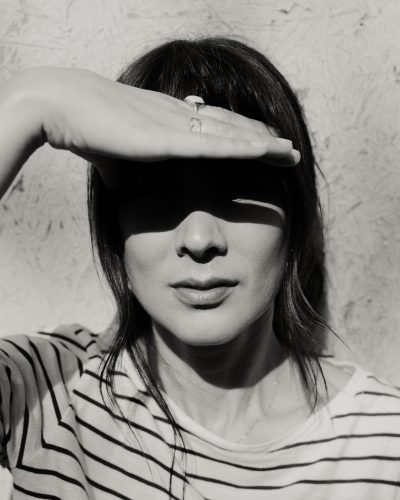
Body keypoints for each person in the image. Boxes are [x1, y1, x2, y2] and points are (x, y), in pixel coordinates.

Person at [0, 37, 399, 500]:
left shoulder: (383, 448)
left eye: (240, 190)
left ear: (294, 216)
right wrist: (34, 104)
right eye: (158, 195)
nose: (199, 239)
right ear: (115, 227)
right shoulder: (44, 390)